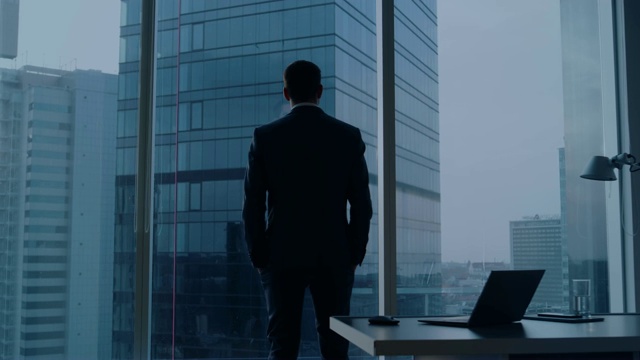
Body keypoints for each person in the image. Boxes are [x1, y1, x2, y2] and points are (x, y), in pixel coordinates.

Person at [242, 60, 373, 360]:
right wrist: (354, 254)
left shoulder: (265, 137)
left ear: (286, 93)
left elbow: (252, 204)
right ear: (320, 91)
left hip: (281, 255)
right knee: (335, 347)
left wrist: (260, 256)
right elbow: (362, 206)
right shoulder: (348, 137)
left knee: (282, 346)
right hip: (334, 255)